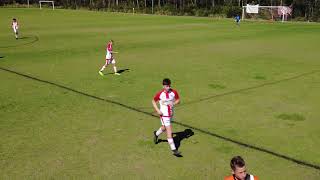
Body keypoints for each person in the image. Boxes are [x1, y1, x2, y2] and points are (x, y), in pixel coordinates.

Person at [152, 78, 181, 157]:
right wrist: (158, 110)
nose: (167, 88)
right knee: (169, 131)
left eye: (168, 86)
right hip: (164, 115)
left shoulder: (174, 92)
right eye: (165, 86)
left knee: (164, 128)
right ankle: (174, 150)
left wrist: (174, 103)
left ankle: (156, 134)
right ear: (163, 86)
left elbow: (178, 100)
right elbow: (153, 101)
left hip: (171, 114)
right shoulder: (160, 94)